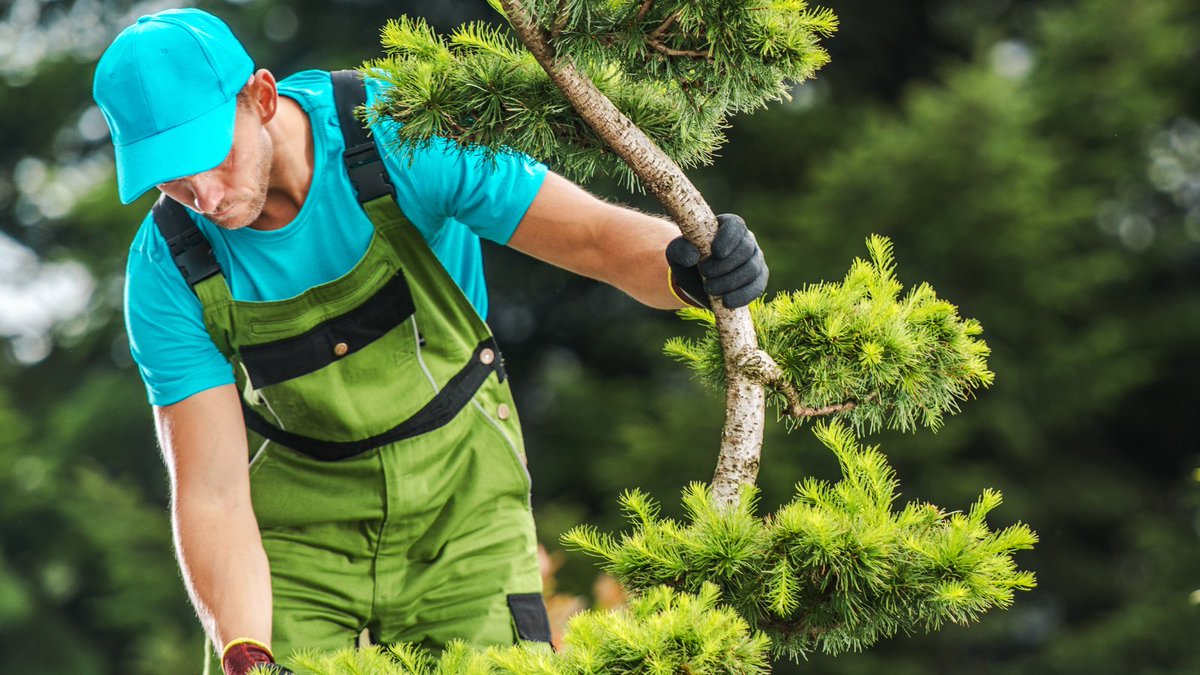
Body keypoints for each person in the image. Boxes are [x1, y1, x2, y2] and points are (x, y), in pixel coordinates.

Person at [92, 8, 768, 675]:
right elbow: (211, 492)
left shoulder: (397, 131)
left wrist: (687, 265)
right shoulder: (168, 268)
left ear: (262, 98)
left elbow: (592, 237)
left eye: (211, 157)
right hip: (298, 541)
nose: (204, 196)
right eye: (171, 180)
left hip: (462, 505)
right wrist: (246, 655)